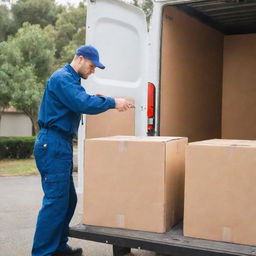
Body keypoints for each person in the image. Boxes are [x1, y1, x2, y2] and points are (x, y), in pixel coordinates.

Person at [32, 45, 133, 256]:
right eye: (91, 65)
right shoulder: (62, 78)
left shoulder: (70, 80)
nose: (93, 70)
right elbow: (82, 102)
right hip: (52, 143)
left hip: (60, 143)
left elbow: (80, 99)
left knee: (68, 199)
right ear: (79, 58)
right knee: (56, 201)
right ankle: (43, 253)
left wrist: (99, 99)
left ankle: (58, 247)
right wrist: (113, 102)